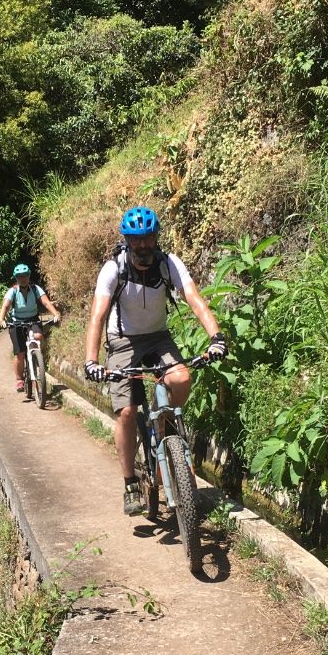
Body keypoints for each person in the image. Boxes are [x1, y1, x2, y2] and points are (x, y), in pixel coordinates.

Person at [84, 207, 227, 515]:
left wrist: (216, 337)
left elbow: (194, 298)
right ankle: (130, 484)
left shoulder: (168, 263)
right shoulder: (114, 269)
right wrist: (91, 360)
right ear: (126, 241)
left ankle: (165, 428)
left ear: (156, 238)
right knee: (126, 412)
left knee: (181, 378)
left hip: (159, 337)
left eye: (149, 237)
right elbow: (97, 316)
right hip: (123, 341)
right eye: (137, 239)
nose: (144, 245)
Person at [0, 263, 61, 393]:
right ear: (16, 278)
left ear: (29, 276)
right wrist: (1, 319)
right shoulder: (13, 291)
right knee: (20, 354)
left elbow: (46, 302)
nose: (23, 279)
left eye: (25, 276)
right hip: (17, 322)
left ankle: (37, 356)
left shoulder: (35, 289)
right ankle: (19, 379)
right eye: (20, 276)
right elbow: (5, 306)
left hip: (33, 320)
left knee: (38, 336)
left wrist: (55, 313)